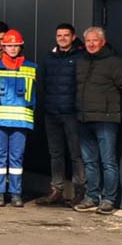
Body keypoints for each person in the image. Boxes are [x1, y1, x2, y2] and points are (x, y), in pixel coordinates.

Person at [74, 27, 122, 214]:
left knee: (108, 162)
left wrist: (117, 114)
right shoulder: (81, 62)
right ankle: (92, 197)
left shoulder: (115, 63)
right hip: (84, 119)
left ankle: (109, 199)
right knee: (90, 161)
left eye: (95, 40)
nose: (91, 44)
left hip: (106, 121)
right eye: (88, 41)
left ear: (103, 41)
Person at [38, 23, 85, 206]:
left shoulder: (80, 57)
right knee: (55, 153)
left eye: (66, 35)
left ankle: (80, 191)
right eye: (59, 35)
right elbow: (42, 83)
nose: (63, 38)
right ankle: (56, 190)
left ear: (73, 37)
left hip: (72, 113)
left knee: (76, 154)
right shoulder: (49, 58)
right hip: (52, 113)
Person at [0, 29, 36, 207]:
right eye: (9, 45)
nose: (13, 49)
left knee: (16, 159)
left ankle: (16, 194)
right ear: (4, 47)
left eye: (16, 45)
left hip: (21, 122)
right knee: (0, 158)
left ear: (20, 46)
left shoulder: (31, 68)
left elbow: (35, 98)